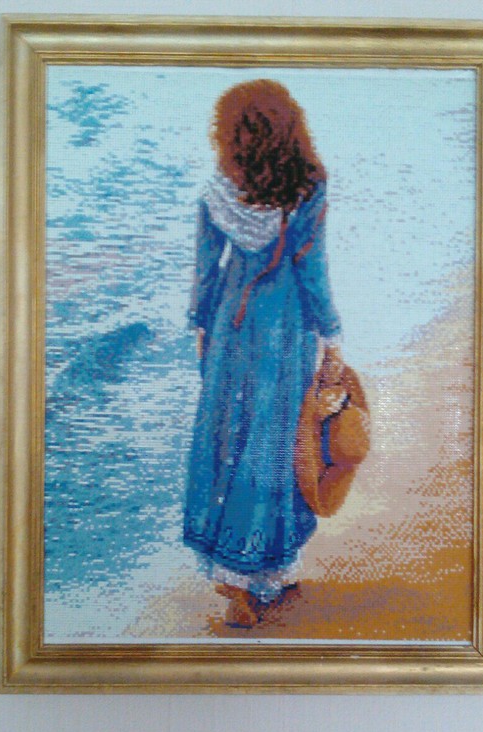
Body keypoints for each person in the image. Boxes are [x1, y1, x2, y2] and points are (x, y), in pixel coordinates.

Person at [183, 79, 343, 627]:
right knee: (276, 445)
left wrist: (201, 326)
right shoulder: (310, 187)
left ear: (230, 132)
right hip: (284, 327)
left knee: (228, 440)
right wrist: (332, 336)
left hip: (230, 324)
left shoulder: (217, 188)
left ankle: (238, 579)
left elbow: (206, 270)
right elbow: (312, 270)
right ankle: (265, 569)